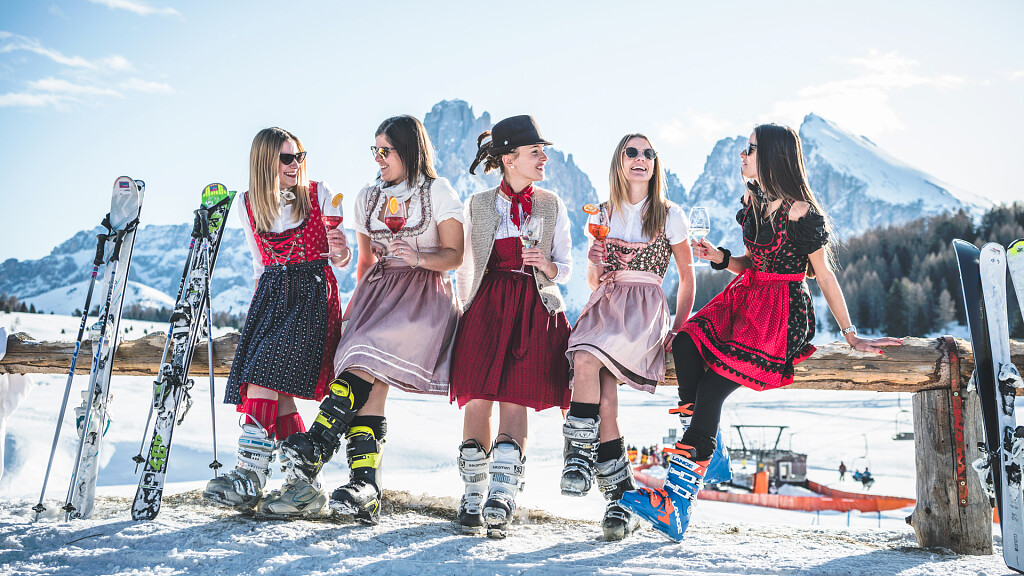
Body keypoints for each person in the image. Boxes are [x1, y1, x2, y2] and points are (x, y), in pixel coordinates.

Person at [619, 123, 903, 541]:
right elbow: (755, 265)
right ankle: (706, 450)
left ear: (772, 157)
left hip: (780, 313)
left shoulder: (801, 212)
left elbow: (822, 275)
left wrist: (851, 334)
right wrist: (720, 258)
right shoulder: (753, 202)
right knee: (685, 341)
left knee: (713, 390)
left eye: (750, 149)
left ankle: (676, 503)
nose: (742, 155)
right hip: (746, 298)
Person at [262, 115, 465, 523]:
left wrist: (419, 258)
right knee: (363, 372)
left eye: (385, 150)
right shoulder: (367, 198)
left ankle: (318, 443)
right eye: (375, 150)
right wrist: (355, 310)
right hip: (378, 294)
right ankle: (364, 484)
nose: (378, 158)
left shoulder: (437, 192)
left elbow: (455, 255)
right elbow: (366, 261)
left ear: (409, 150)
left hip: (423, 296)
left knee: (365, 358)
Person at [204, 127, 348, 510]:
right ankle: (302, 487)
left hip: (311, 293)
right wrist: (256, 321)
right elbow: (258, 264)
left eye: (300, 156)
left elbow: (341, 256)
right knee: (274, 390)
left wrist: (342, 249)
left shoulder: (318, 193)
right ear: (266, 161)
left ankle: (249, 474)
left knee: (262, 375)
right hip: (271, 295)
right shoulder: (248, 204)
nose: (296, 164)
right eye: (287, 157)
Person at [560, 134, 696, 541]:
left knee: (586, 358)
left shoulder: (670, 215)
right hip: (606, 304)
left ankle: (579, 456)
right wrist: (595, 263)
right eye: (631, 152)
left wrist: (680, 326)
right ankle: (620, 501)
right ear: (619, 162)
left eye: (648, 153)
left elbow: (687, 279)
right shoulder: (603, 213)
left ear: (656, 165)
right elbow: (590, 280)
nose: (640, 159)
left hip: (644, 310)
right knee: (604, 396)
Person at [450, 115, 573, 539]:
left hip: (533, 306)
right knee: (479, 397)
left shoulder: (552, 204)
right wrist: (468, 312)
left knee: (516, 397)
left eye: (543, 151)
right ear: (509, 159)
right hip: (487, 307)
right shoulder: (480, 205)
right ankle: (473, 492)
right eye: (535, 152)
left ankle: (502, 494)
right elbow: (468, 266)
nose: (543, 158)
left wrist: (548, 265)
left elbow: (566, 267)